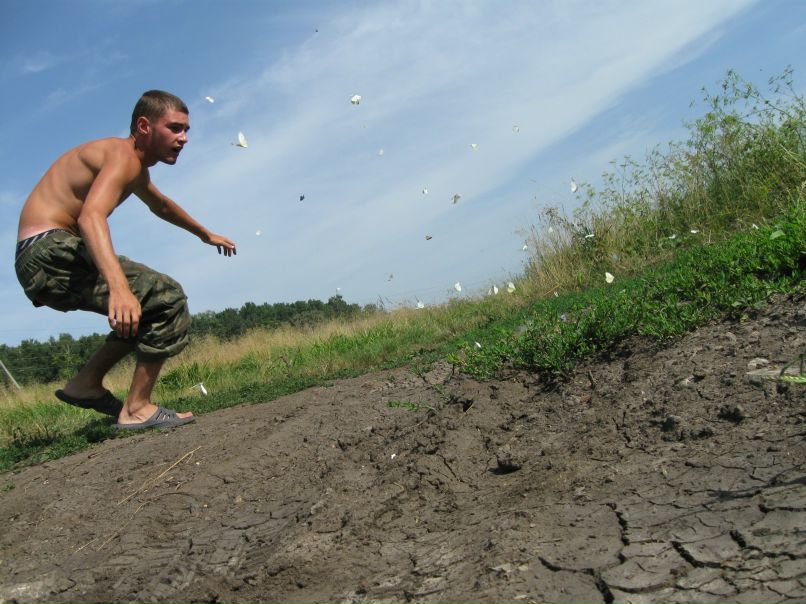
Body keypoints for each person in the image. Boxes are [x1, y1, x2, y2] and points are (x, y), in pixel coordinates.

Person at [14, 90, 236, 429]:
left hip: (41, 257)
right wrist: (119, 288)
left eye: (186, 130)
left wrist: (206, 234)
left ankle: (85, 385)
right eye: (175, 128)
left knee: (142, 308)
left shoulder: (132, 168)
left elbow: (161, 205)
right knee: (165, 297)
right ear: (144, 126)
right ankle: (137, 408)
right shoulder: (123, 155)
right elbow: (91, 217)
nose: (184, 138)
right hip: (49, 251)